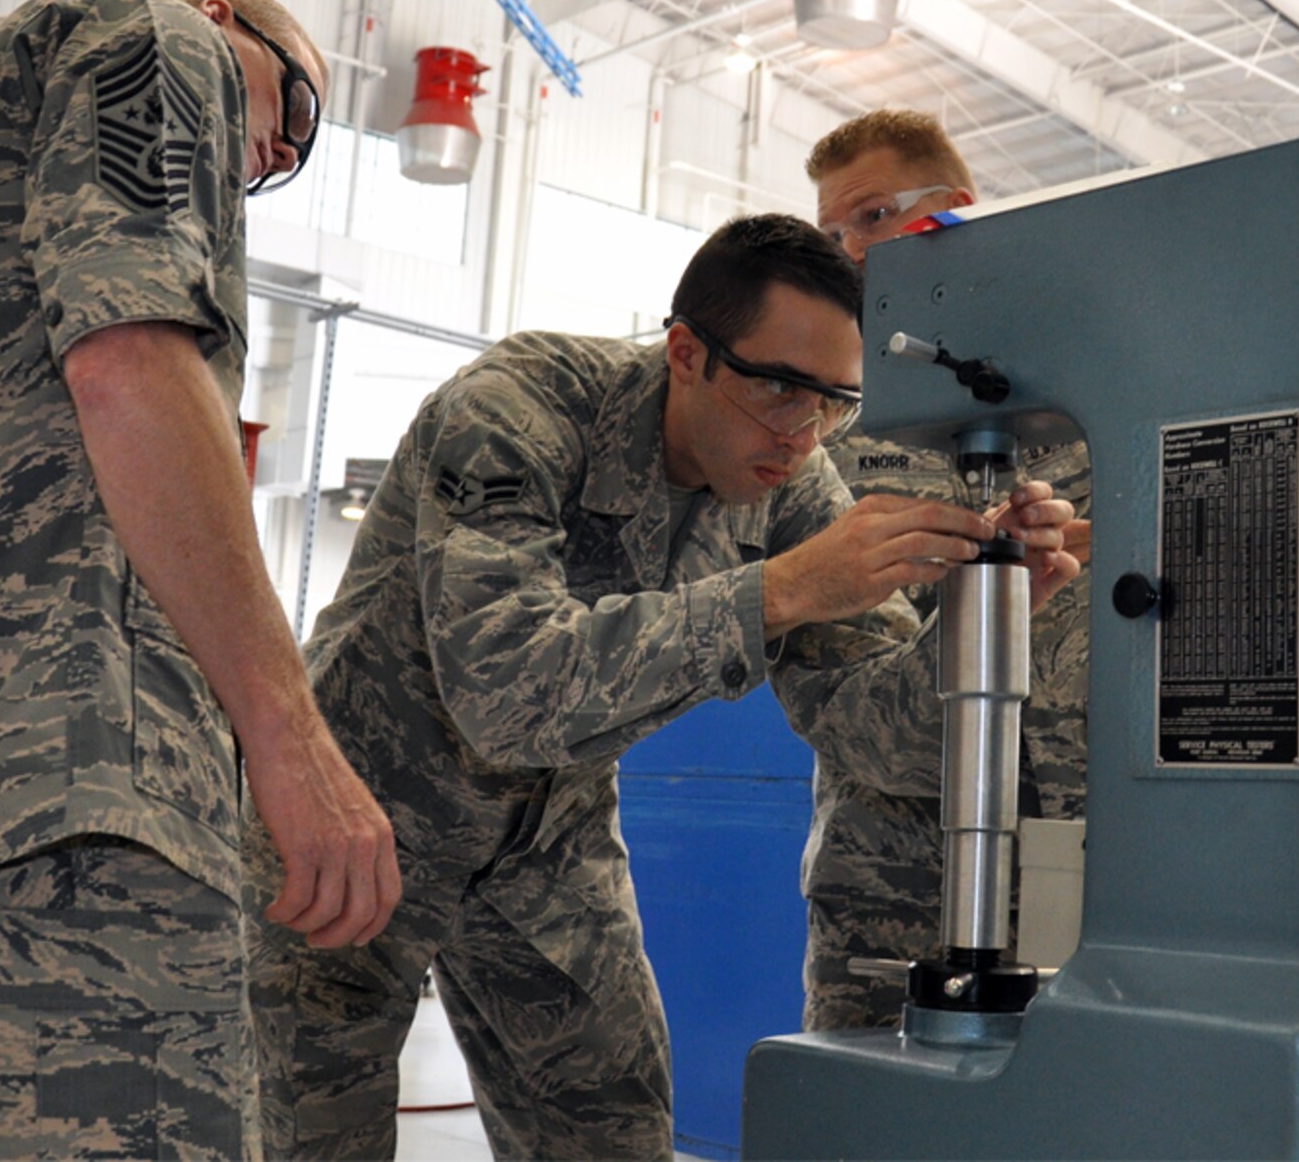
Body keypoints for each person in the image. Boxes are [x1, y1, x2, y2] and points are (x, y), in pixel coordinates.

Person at [246, 213, 1080, 1160]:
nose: (805, 434)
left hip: (544, 842)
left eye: (836, 401)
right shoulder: (520, 407)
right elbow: (507, 691)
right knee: (308, 1144)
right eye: (778, 388)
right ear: (687, 353)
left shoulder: (792, 486)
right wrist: (785, 588)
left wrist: (996, 617)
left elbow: (871, 736)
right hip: (350, 821)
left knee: (613, 1134)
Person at [0, 0, 401, 1160]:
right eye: (291, 101)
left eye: (292, 156)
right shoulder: (158, 38)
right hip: (80, 792)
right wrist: (292, 741)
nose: (272, 151)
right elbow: (130, 364)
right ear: (219, 14)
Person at [801, 108, 1093, 1032]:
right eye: (830, 233)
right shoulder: (823, 446)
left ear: (954, 211)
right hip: (891, 904)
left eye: (873, 217)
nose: (849, 252)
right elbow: (849, 723)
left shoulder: (1105, 419)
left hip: (1091, 887)